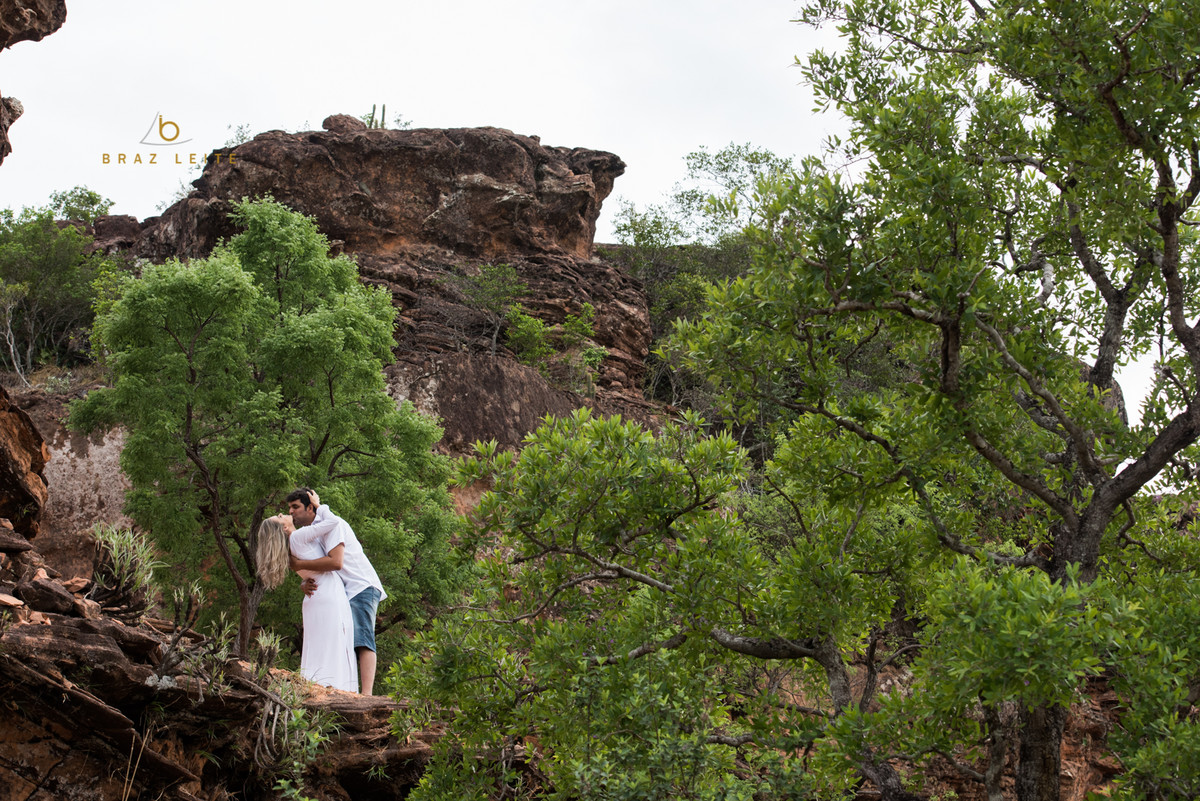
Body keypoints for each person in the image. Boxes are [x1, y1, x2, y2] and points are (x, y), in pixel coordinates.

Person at [286, 488, 387, 695]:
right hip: (344, 590)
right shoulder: (315, 531)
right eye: (290, 508)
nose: (291, 512)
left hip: (360, 585)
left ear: (310, 507)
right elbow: (318, 567)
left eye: (295, 507)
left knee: (362, 639)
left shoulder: (333, 525)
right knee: (347, 639)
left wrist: (298, 564)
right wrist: (303, 582)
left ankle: (366, 696)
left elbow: (335, 562)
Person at [256, 514, 358, 693]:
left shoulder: (287, 548)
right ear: (284, 528)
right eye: (279, 517)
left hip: (314, 598)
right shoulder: (298, 536)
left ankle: (316, 688)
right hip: (328, 595)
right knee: (335, 644)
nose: (283, 513)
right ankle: (337, 688)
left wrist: (303, 581)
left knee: (318, 648)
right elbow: (333, 521)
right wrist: (317, 504)